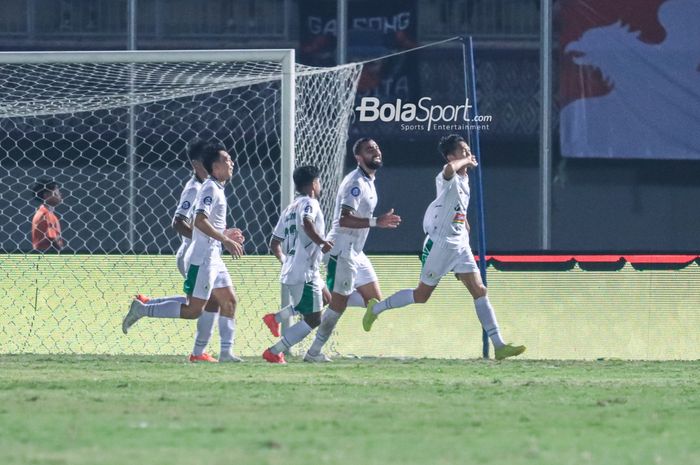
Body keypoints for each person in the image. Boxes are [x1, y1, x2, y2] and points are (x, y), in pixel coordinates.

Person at [362, 134, 526, 360]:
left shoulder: (465, 180)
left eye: (469, 151)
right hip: (440, 243)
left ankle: (499, 346)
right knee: (421, 296)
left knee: (479, 290)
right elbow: (449, 169)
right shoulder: (446, 176)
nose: (469, 154)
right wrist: (464, 162)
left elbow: (457, 206)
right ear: (452, 156)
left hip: (460, 244)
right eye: (464, 151)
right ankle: (376, 309)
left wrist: (464, 223)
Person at [122, 142, 246, 362]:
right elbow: (192, 221)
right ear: (213, 167)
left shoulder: (215, 187)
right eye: (227, 160)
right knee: (194, 309)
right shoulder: (202, 188)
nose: (232, 163)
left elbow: (205, 224)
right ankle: (144, 309)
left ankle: (224, 353)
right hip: (201, 257)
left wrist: (223, 234)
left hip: (213, 255)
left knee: (227, 300)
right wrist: (223, 238)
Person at [303, 138, 401, 362]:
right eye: (369, 150)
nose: (375, 151)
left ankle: (325, 296)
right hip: (341, 249)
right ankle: (314, 352)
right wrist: (377, 222)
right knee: (339, 304)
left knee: (374, 301)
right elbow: (345, 219)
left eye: (376, 147)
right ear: (359, 158)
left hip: (355, 251)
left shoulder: (369, 180)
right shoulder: (355, 183)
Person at [261, 166, 332, 363]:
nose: (320, 186)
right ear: (313, 184)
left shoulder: (289, 208)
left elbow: (274, 242)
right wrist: (323, 243)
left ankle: (275, 318)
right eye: (319, 182)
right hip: (304, 272)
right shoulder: (310, 202)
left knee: (327, 298)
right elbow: (306, 223)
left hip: (304, 269)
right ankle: (275, 351)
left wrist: (286, 261)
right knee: (314, 319)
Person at [31, 179, 64, 251]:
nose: (60, 194)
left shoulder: (43, 211)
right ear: (46, 195)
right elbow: (53, 238)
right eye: (57, 192)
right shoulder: (46, 213)